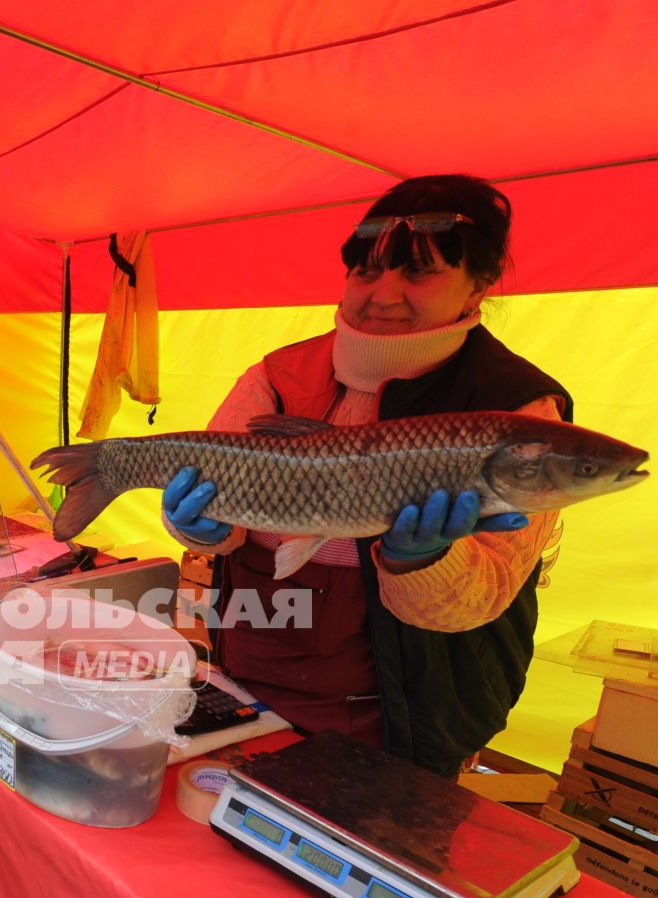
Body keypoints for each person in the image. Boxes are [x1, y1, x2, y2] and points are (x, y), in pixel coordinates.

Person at [164, 174, 570, 778]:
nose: (383, 294)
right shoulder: (278, 374)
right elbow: (221, 519)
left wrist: (423, 560)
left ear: (477, 287)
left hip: (407, 700)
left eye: (419, 273)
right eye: (366, 271)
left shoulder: (517, 410)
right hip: (253, 660)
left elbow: (487, 592)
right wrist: (197, 529)